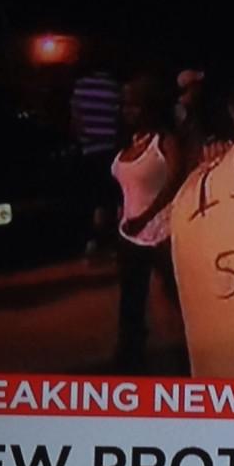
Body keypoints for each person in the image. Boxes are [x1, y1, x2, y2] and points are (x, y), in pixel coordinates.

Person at [111, 75, 186, 374]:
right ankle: (129, 360)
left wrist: (145, 216)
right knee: (131, 304)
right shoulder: (129, 141)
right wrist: (124, 212)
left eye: (134, 105)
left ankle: (193, 355)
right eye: (124, 105)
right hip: (129, 234)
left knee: (178, 299)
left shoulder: (164, 140)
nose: (127, 111)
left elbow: (175, 181)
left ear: (150, 107)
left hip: (161, 234)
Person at [69, 66, 121, 256]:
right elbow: (120, 118)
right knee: (111, 198)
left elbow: (75, 122)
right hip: (111, 150)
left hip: (89, 150)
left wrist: (84, 138)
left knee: (95, 198)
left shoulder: (80, 86)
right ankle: (109, 241)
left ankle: (94, 240)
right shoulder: (113, 86)